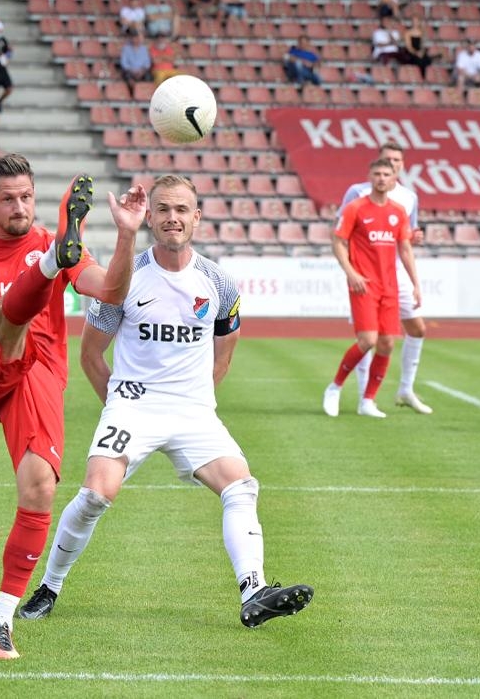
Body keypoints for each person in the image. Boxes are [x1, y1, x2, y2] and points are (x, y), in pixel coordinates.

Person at [18, 174, 314, 630]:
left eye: (181, 210)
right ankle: (49, 587)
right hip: (132, 407)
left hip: (192, 412)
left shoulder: (219, 282)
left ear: (196, 217)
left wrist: (198, 401)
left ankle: (253, 591)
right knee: (96, 494)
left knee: (241, 486)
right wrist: (119, 405)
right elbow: (91, 355)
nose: (172, 218)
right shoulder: (125, 279)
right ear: (150, 218)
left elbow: (224, 353)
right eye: (163, 210)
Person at [0, 155, 146, 660]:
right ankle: (45, 270)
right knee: (4, 321)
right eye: (8, 199)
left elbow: (111, 290)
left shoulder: (59, 241)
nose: (19, 207)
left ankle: (0, 620)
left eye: (27, 197)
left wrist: (127, 235)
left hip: (36, 373)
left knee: (40, 488)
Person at [337, 142, 432, 415]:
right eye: (387, 159)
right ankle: (364, 398)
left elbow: (406, 237)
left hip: (395, 272)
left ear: (401, 165)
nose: (391, 164)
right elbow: (342, 229)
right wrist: (351, 270)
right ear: (377, 162)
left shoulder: (409, 197)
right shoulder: (357, 193)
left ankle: (405, 389)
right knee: (369, 336)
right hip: (366, 272)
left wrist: (414, 238)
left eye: (396, 160)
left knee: (417, 328)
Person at [119, 30, 152, 97]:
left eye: (137, 37)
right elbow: (124, 63)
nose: (136, 39)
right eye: (134, 37)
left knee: (148, 78)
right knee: (129, 78)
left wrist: (142, 71)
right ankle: (132, 95)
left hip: (142, 71)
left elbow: (147, 63)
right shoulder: (126, 49)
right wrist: (132, 70)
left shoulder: (144, 49)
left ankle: (145, 95)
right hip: (130, 71)